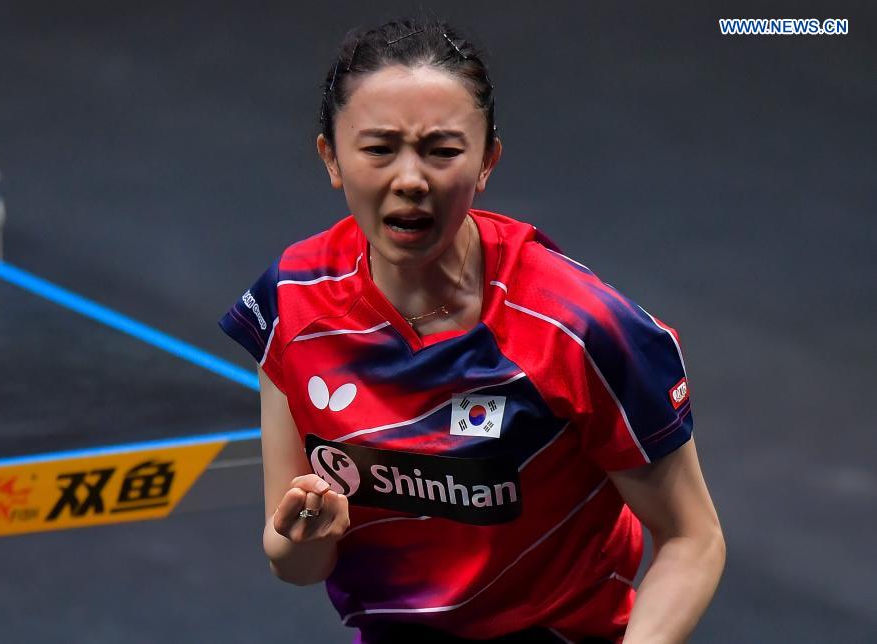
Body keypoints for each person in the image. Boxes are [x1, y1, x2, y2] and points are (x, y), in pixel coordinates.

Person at [219, 17, 725, 644]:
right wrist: (301, 535)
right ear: (331, 158)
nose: (411, 179)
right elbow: (296, 564)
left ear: (487, 162)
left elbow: (691, 537)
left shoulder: (579, 327)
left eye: (443, 150)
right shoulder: (292, 302)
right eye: (379, 149)